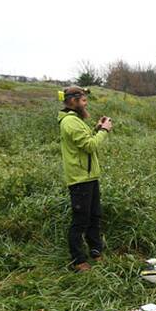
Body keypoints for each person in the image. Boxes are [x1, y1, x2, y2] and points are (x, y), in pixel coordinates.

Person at [57, 85, 112, 272]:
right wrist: (103, 131)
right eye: (83, 100)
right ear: (73, 101)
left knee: (94, 217)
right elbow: (89, 146)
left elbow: (84, 140)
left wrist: (96, 128)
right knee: (80, 220)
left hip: (89, 177)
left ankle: (96, 252)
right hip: (80, 179)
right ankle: (78, 260)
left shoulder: (76, 120)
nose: (85, 102)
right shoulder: (70, 122)